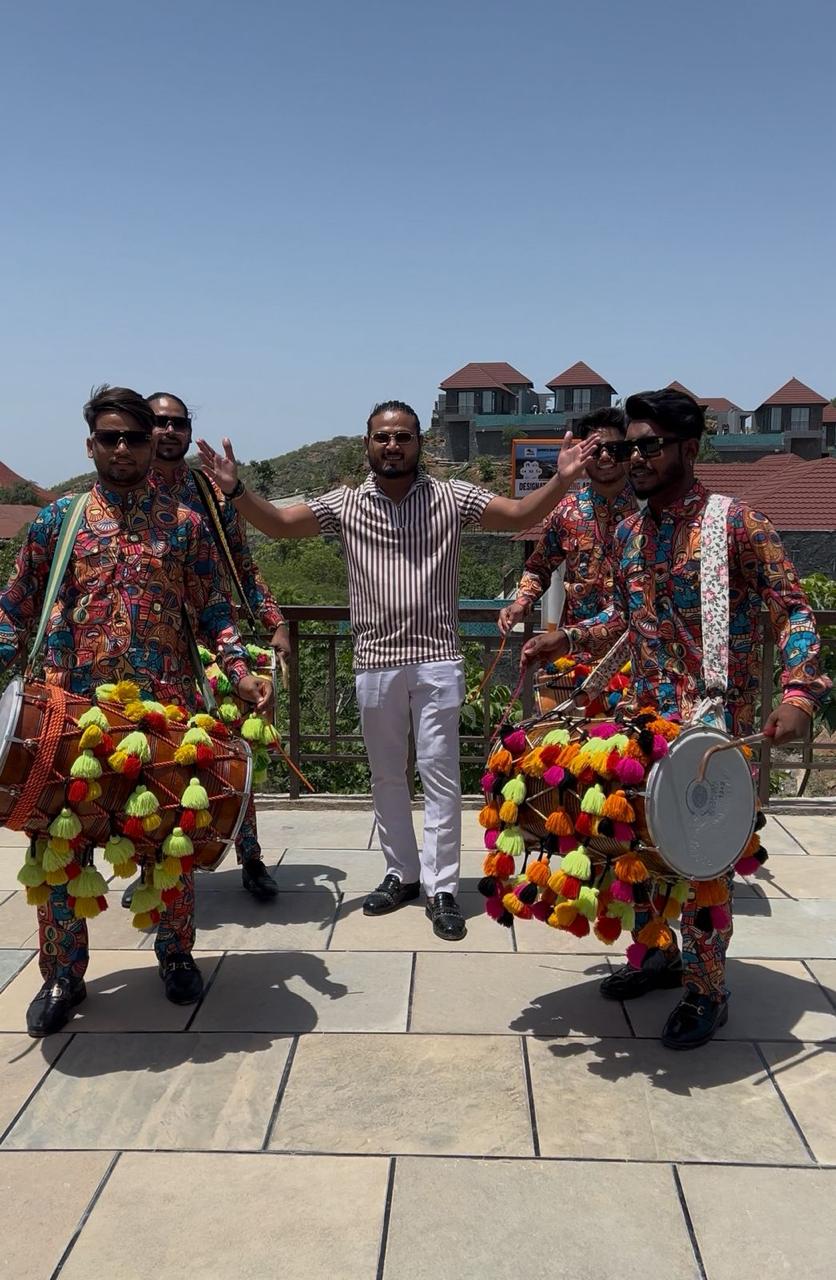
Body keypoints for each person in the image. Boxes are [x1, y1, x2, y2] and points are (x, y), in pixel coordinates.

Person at [197, 402, 598, 941]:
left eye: (403, 437)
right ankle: (400, 872)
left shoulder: (451, 497)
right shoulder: (345, 504)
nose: (393, 445)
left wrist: (561, 480)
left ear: (417, 443)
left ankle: (441, 888)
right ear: (366, 444)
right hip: (374, 662)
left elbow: (520, 515)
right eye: (383, 437)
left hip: (436, 659)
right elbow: (282, 525)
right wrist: (236, 490)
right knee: (386, 777)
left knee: (439, 777)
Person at [521, 387, 830, 1048]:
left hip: (718, 731)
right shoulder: (632, 533)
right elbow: (629, 620)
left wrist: (800, 691)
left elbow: (792, 609)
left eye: (649, 446)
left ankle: (707, 991)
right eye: (629, 446)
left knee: (704, 864)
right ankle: (661, 957)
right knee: (645, 850)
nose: (634, 457)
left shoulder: (737, 523)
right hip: (647, 720)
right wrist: (567, 639)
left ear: (689, 449)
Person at [0, 386, 271, 1037]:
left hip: (163, 719)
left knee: (170, 845)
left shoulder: (186, 528)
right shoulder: (56, 523)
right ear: (91, 444)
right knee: (60, 852)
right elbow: (13, 611)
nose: (123, 447)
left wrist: (240, 672)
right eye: (110, 437)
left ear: (154, 442)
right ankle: (64, 973)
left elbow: (215, 617)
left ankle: (176, 955)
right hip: (70, 723)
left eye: (135, 437)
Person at [136, 390, 284, 902]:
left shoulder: (211, 492)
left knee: (233, 750)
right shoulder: (124, 489)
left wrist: (273, 619)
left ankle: (251, 855)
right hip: (147, 649)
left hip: (216, 641)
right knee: (153, 759)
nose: (169, 431)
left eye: (178, 423)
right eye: (158, 422)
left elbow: (243, 563)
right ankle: (151, 864)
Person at [498, 406, 636, 641]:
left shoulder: (649, 511)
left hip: (635, 652)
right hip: (573, 649)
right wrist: (522, 601)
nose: (604, 456)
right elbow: (538, 567)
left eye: (614, 449)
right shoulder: (566, 511)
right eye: (596, 450)